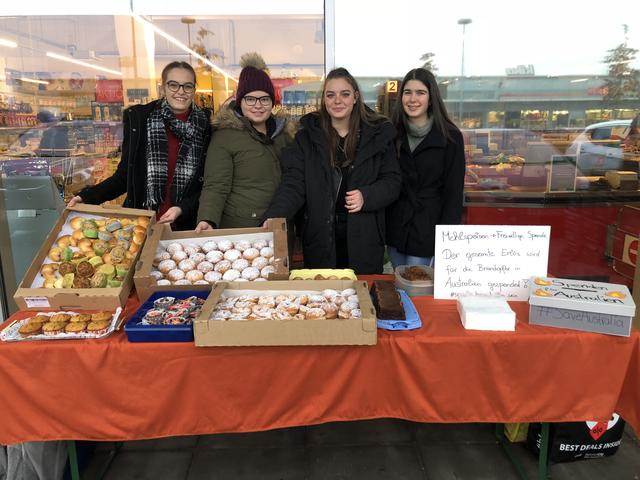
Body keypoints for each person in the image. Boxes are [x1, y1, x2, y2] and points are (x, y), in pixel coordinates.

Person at [262, 67, 401, 274]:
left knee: (361, 293)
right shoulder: (306, 138)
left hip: (365, 236)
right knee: (324, 297)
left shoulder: (378, 134)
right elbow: (293, 185)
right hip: (321, 237)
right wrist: (273, 217)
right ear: (324, 100)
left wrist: (367, 196)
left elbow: (392, 181)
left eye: (344, 94)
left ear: (355, 97)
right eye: (331, 95)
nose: (338, 101)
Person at [67, 61, 212, 230]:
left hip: (186, 225)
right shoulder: (141, 121)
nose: (181, 91)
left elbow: (210, 185)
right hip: (144, 223)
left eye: (187, 86)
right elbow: (124, 177)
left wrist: (183, 208)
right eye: (173, 85)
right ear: (163, 88)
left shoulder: (207, 127)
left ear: (194, 90)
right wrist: (86, 197)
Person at [195, 55, 294, 230]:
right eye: (250, 99)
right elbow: (216, 185)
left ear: (272, 102)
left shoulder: (284, 134)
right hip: (244, 227)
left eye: (264, 99)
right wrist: (207, 219)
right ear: (240, 101)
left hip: (279, 223)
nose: (258, 105)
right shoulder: (225, 136)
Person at [385, 68, 465, 268]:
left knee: (418, 289)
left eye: (420, 93)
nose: (413, 99)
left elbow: (453, 193)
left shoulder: (451, 137)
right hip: (396, 226)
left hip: (429, 227)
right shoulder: (390, 134)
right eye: (407, 92)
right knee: (398, 287)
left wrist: (448, 240)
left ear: (431, 98)